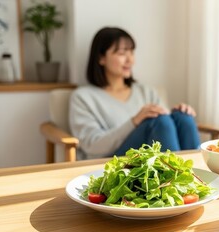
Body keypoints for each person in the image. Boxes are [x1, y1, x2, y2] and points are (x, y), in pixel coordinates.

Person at [69, 27, 200, 160]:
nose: (130, 60)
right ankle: (176, 179)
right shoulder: (83, 97)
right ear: (101, 58)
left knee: (183, 118)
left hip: (148, 159)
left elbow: (167, 129)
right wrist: (134, 122)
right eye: (122, 53)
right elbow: (92, 146)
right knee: (158, 122)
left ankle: (200, 175)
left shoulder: (145, 92)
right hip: (112, 162)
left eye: (131, 52)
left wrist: (178, 112)